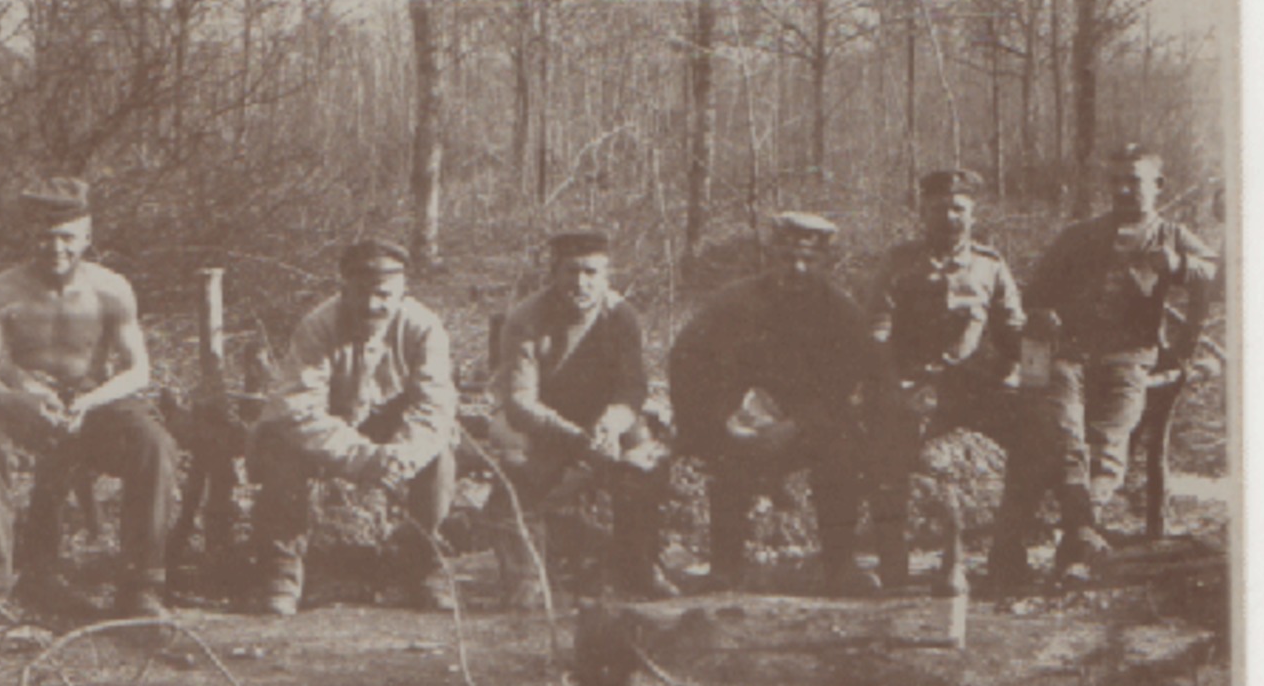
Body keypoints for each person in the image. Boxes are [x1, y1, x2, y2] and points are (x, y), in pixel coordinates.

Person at [0, 177, 179, 633]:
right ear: (27, 236)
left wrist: (92, 400)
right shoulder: (2, 290)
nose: (54, 248)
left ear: (87, 236)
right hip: (27, 407)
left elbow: (138, 370)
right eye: (43, 235)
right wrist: (19, 398)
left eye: (66, 236)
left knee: (154, 444)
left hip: (95, 405)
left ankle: (141, 586)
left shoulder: (112, 289)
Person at [1021, 144, 1217, 581]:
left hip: (1131, 355)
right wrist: (1042, 313)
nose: (1124, 190)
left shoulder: (1170, 234)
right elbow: (1032, 292)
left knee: (1110, 437)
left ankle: (1077, 534)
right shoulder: (1079, 235)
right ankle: (1082, 535)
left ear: (1157, 186)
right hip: (1070, 354)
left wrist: (1183, 266)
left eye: (1135, 181)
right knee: (1067, 432)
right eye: (1116, 181)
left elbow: (1226, 274)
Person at [669, 213, 885, 596]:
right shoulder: (735, 301)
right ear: (771, 257)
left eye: (808, 259)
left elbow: (850, 384)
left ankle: (839, 565)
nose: (796, 268)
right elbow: (686, 358)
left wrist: (799, 423)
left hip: (810, 425)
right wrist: (720, 419)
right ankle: (725, 568)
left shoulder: (840, 311)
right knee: (728, 461)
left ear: (824, 263)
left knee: (841, 454)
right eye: (786, 258)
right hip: (741, 421)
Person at [248, 239, 458, 617]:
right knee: (279, 444)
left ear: (402, 292)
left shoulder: (423, 327)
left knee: (439, 455)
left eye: (384, 295)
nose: (372, 305)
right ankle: (281, 566)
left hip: (390, 430)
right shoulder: (318, 325)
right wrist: (362, 458)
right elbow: (297, 407)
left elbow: (435, 405)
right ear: (344, 288)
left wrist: (403, 456)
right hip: (328, 428)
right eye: (362, 292)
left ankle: (424, 561)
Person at [486, 230, 678, 609]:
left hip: (600, 420)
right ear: (554, 273)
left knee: (644, 455)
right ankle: (525, 573)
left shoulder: (621, 316)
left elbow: (632, 389)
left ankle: (638, 562)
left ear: (606, 275)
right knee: (516, 458)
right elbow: (520, 402)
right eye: (571, 271)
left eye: (591, 272)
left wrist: (609, 425)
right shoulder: (526, 318)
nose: (581, 283)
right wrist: (574, 437)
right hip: (539, 419)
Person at [866, 169, 1027, 593]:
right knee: (888, 454)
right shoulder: (899, 263)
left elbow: (1014, 329)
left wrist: (1014, 374)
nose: (950, 217)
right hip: (912, 385)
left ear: (973, 214)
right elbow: (878, 326)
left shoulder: (990, 265)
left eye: (959, 209)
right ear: (923, 212)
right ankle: (893, 563)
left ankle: (1004, 559)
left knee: (1033, 442)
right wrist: (891, 383)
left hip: (973, 387)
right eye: (940, 208)